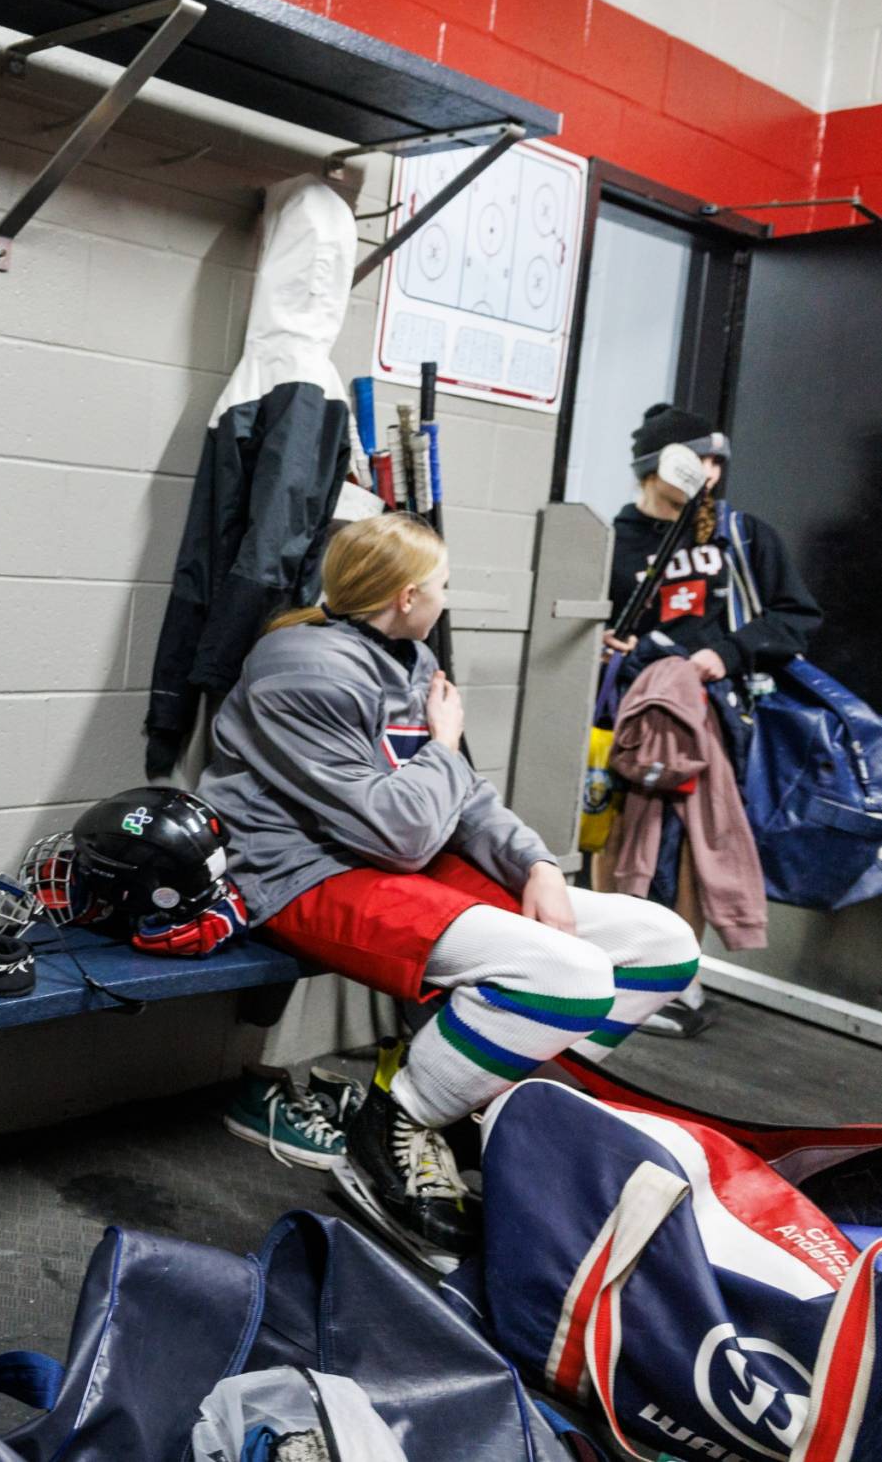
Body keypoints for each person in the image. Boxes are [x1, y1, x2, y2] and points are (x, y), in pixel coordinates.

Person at [199, 513, 700, 1271]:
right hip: (301, 872)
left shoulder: (406, 654)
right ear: (404, 597)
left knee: (660, 946)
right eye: (440, 585)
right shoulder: (302, 669)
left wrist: (534, 865)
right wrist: (439, 745)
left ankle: (473, 1101)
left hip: (397, 859)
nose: (445, 596)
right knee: (565, 978)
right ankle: (394, 1126)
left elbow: (459, 796)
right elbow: (394, 829)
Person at [602, 404, 821, 1036]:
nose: (714, 471)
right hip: (629, 718)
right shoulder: (612, 541)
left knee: (698, 843)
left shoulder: (739, 537)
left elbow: (795, 616)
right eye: (702, 457)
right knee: (619, 837)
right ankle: (613, 966)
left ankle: (677, 974)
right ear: (660, 465)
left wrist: (725, 652)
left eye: (720, 460)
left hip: (712, 720)